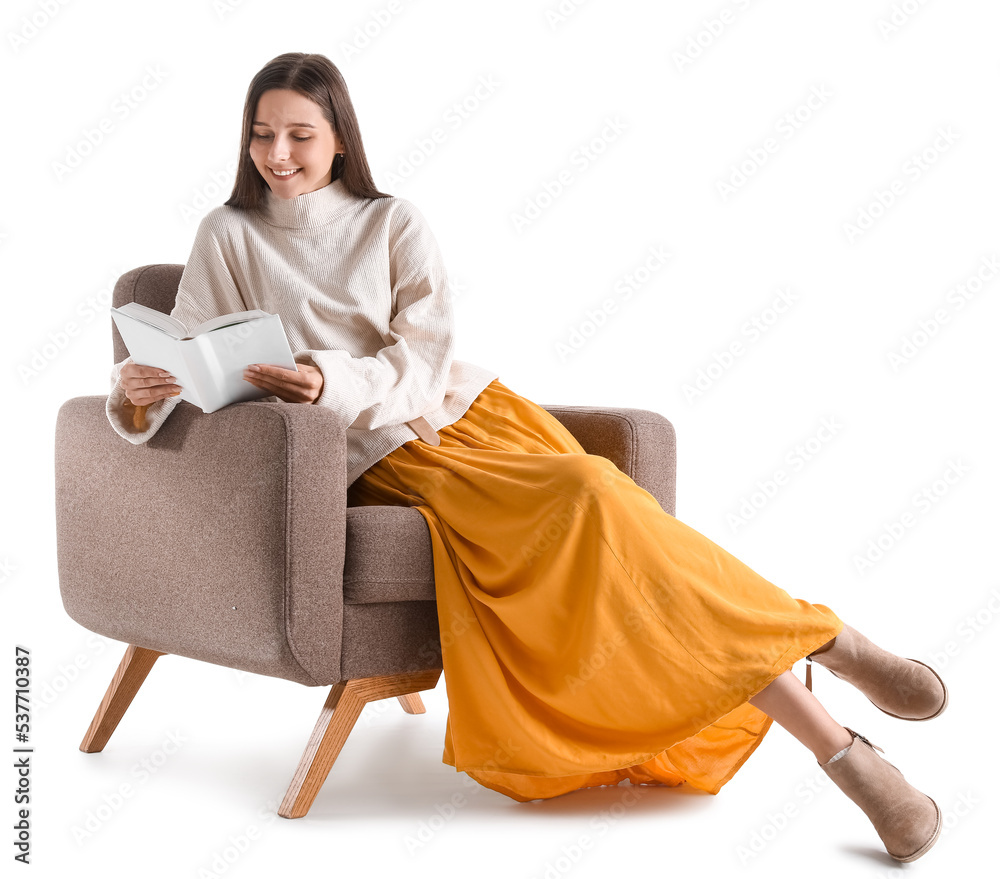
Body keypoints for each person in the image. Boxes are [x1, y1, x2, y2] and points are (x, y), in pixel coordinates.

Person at [107, 52, 946, 862]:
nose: (278, 155)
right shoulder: (226, 233)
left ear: (339, 137)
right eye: (262, 134)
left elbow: (425, 359)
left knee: (602, 496)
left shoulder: (393, 221)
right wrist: (140, 389)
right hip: (378, 457)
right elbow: (195, 357)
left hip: (469, 416)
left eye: (299, 134)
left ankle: (838, 666)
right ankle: (840, 702)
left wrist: (322, 374)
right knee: (595, 496)